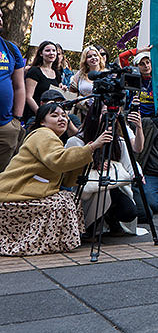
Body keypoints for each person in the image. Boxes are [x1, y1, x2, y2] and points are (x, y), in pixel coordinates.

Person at [0, 103, 111, 255]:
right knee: (61, 202)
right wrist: (90, 149)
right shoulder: (43, 134)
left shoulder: (50, 137)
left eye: (64, 116)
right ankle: (41, 244)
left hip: (22, 190)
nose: (62, 119)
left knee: (66, 197)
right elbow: (58, 160)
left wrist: (86, 153)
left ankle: (53, 242)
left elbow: (66, 180)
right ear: (42, 121)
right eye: (54, 115)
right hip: (13, 193)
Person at [68, 98, 143, 236]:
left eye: (112, 114)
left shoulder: (118, 141)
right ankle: (90, 226)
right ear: (94, 116)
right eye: (104, 113)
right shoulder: (76, 140)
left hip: (114, 186)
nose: (109, 118)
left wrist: (137, 174)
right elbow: (68, 169)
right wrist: (94, 163)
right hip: (86, 191)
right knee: (102, 191)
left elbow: (131, 161)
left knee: (131, 211)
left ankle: (110, 219)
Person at [0, 7, 25, 173]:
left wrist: (16, 119)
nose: (0, 20)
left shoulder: (10, 49)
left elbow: (19, 86)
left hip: (6, 126)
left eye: (1, 16)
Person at [23, 41, 63, 122]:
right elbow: (28, 97)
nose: (51, 53)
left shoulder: (57, 73)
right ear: (41, 53)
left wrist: (62, 90)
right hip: (35, 116)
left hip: (52, 116)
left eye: (54, 51)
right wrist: (40, 114)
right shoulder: (34, 71)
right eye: (48, 51)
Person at [69, 45, 104, 121]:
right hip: (82, 115)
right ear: (85, 60)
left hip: (101, 113)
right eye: (89, 56)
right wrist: (83, 101)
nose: (93, 58)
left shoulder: (106, 74)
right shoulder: (80, 74)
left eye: (95, 55)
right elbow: (72, 94)